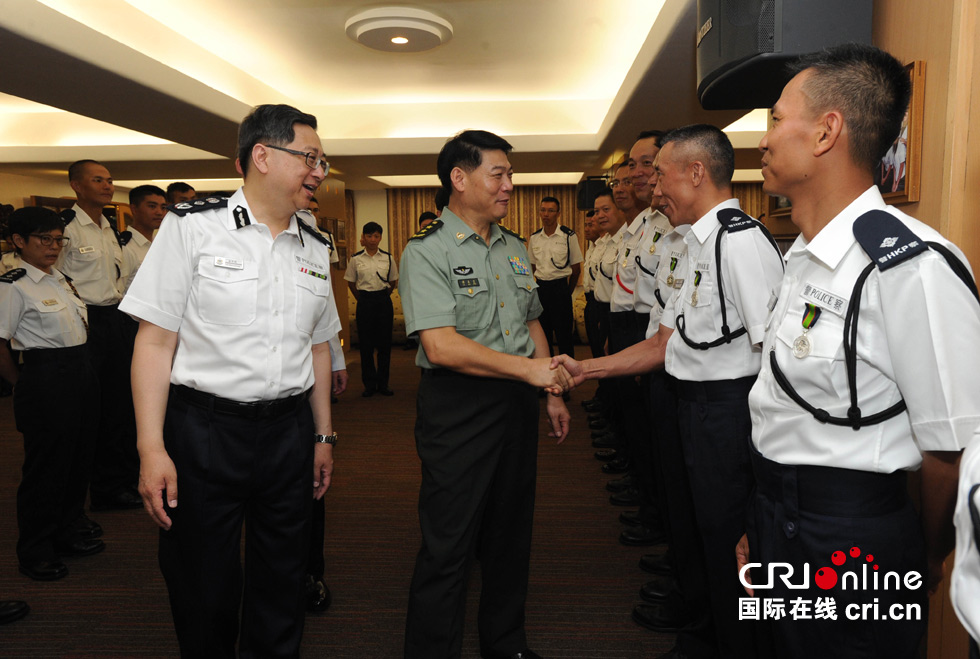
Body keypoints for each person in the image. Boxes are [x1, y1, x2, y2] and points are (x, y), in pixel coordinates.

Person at [732, 44, 980, 659]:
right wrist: (760, 522)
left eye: (774, 118)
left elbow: (950, 451)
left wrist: (915, 559)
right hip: (776, 515)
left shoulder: (911, 265)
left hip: (856, 540)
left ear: (826, 132)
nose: (762, 140)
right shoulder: (802, 254)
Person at [553, 124, 784, 658]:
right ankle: (704, 636)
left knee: (733, 551)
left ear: (696, 172)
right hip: (691, 408)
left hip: (730, 415)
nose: (652, 187)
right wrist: (589, 371)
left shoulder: (740, 244)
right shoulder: (686, 244)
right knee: (701, 536)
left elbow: (773, 357)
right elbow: (663, 343)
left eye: (661, 173)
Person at [122, 103, 340, 657]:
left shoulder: (315, 245)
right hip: (205, 431)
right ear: (262, 156)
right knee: (204, 582)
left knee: (283, 579)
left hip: (289, 432)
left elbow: (318, 347)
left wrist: (322, 435)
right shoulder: (193, 226)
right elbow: (154, 341)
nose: (320, 171)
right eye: (310, 157)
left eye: (323, 160)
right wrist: (151, 447)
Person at [400, 129, 571, 659]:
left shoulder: (515, 247)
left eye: (510, 175)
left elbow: (532, 322)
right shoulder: (426, 251)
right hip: (459, 407)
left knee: (509, 535)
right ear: (459, 178)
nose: (508, 186)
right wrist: (529, 372)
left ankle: (505, 644)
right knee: (449, 543)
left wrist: (551, 391)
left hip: (517, 404)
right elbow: (442, 345)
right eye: (498, 174)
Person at [0, 206, 103, 582]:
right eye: (44, 239)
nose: (54, 246)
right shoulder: (13, 285)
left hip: (80, 371)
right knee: (46, 470)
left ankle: (68, 530)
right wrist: (22, 383)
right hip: (45, 378)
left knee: (79, 460)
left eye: (59, 239)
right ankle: (36, 550)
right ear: (19, 241)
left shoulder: (60, 279)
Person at [56, 160, 142, 511]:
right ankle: (88, 490)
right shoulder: (67, 228)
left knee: (119, 406)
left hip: (115, 318)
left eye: (109, 180)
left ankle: (114, 485)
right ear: (77, 186)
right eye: (98, 180)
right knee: (88, 409)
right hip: (85, 321)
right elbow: (56, 279)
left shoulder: (110, 228)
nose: (107, 186)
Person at [345, 221, 397, 397]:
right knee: (366, 346)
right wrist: (362, 298)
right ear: (363, 237)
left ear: (380, 237)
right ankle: (369, 385)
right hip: (365, 302)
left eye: (376, 236)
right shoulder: (356, 259)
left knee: (384, 346)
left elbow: (393, 282)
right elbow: (351, 282)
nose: (373, 239)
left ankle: (384, 384)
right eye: (369, 236)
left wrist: (382, 296)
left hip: (383, 302)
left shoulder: (388, 258)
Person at [527, 196, 583, 359]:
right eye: (543, 210)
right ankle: (547, 375)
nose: (546, 214)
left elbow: (576, 269)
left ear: (558, 213)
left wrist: (567, 291)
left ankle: (568, 376)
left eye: (551, 211)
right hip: (541, 290)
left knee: (564, 336)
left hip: (561, 289)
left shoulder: (568, 236)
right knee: (543, 336)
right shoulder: (535, 237)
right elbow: (532, 266)